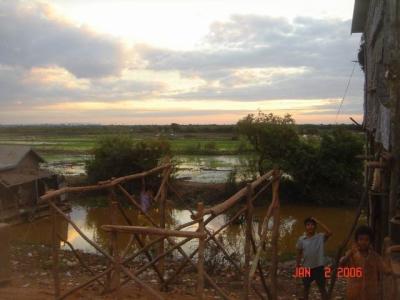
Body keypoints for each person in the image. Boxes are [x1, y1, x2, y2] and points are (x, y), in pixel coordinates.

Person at [339, 225, 392, 300]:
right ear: (356, 241)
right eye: (361, 239)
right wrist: (350, 253)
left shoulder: (375, 257)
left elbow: (387, 271)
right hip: (354, 294)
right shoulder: (351, 255)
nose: (363, 242)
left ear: (370, 242)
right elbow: (341, 265)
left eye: (366, 240)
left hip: (371, 295)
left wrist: (388, 254)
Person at [296, 217, 332, 300]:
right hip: (306, 268)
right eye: (308, 225)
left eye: (312, 224)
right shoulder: (301, 239)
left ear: (315, 226)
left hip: (319, 267)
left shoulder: (320, 237)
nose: (310, 226)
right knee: (306, 288)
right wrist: (298, 267)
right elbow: (298, 254)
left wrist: (318, 221)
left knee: (322, 288)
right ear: (305, 227)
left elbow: (330, 232)